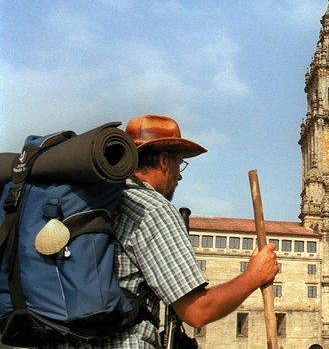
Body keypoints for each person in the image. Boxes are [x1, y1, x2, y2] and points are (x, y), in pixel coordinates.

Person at [53, 115, 279, 348]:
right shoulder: (151, 209)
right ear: (163, 160)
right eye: (179, 162)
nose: (180, 174)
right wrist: (253, 276)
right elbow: (197, 311)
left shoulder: (96, 202)